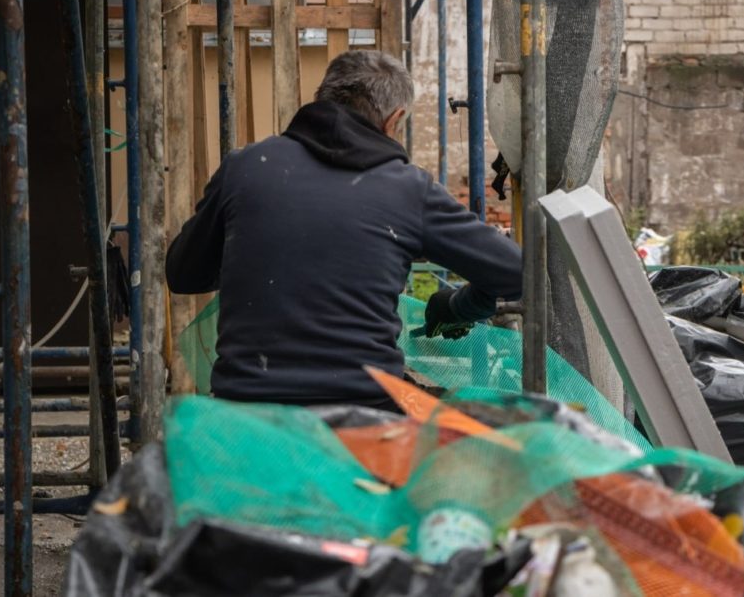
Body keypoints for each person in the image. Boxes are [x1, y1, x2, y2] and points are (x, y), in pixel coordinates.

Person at [166, 50, 522, 409]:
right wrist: (457, 305)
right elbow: (516, 272)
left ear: (320, 97)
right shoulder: (407, 189)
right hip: (363, 412)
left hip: (247, 409)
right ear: (393, 120)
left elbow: (183, 274)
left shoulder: (245, 168)